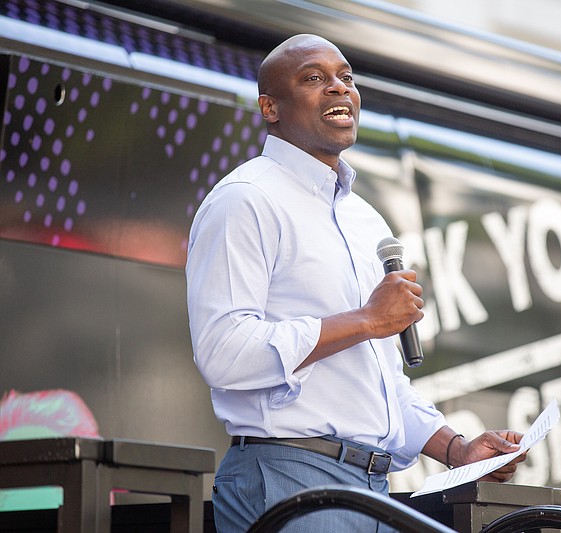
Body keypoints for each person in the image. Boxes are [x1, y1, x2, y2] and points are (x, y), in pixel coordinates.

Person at [186, 34, 526, 532]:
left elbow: (378, 382)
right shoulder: (245, 200)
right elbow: (222, 350)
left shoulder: (366, 221)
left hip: (375, 491)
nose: (338, 89)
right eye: (315, 78)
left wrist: (457, 449)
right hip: (287, 479)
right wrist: (366, 320)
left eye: (346, 77)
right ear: (269, 107)